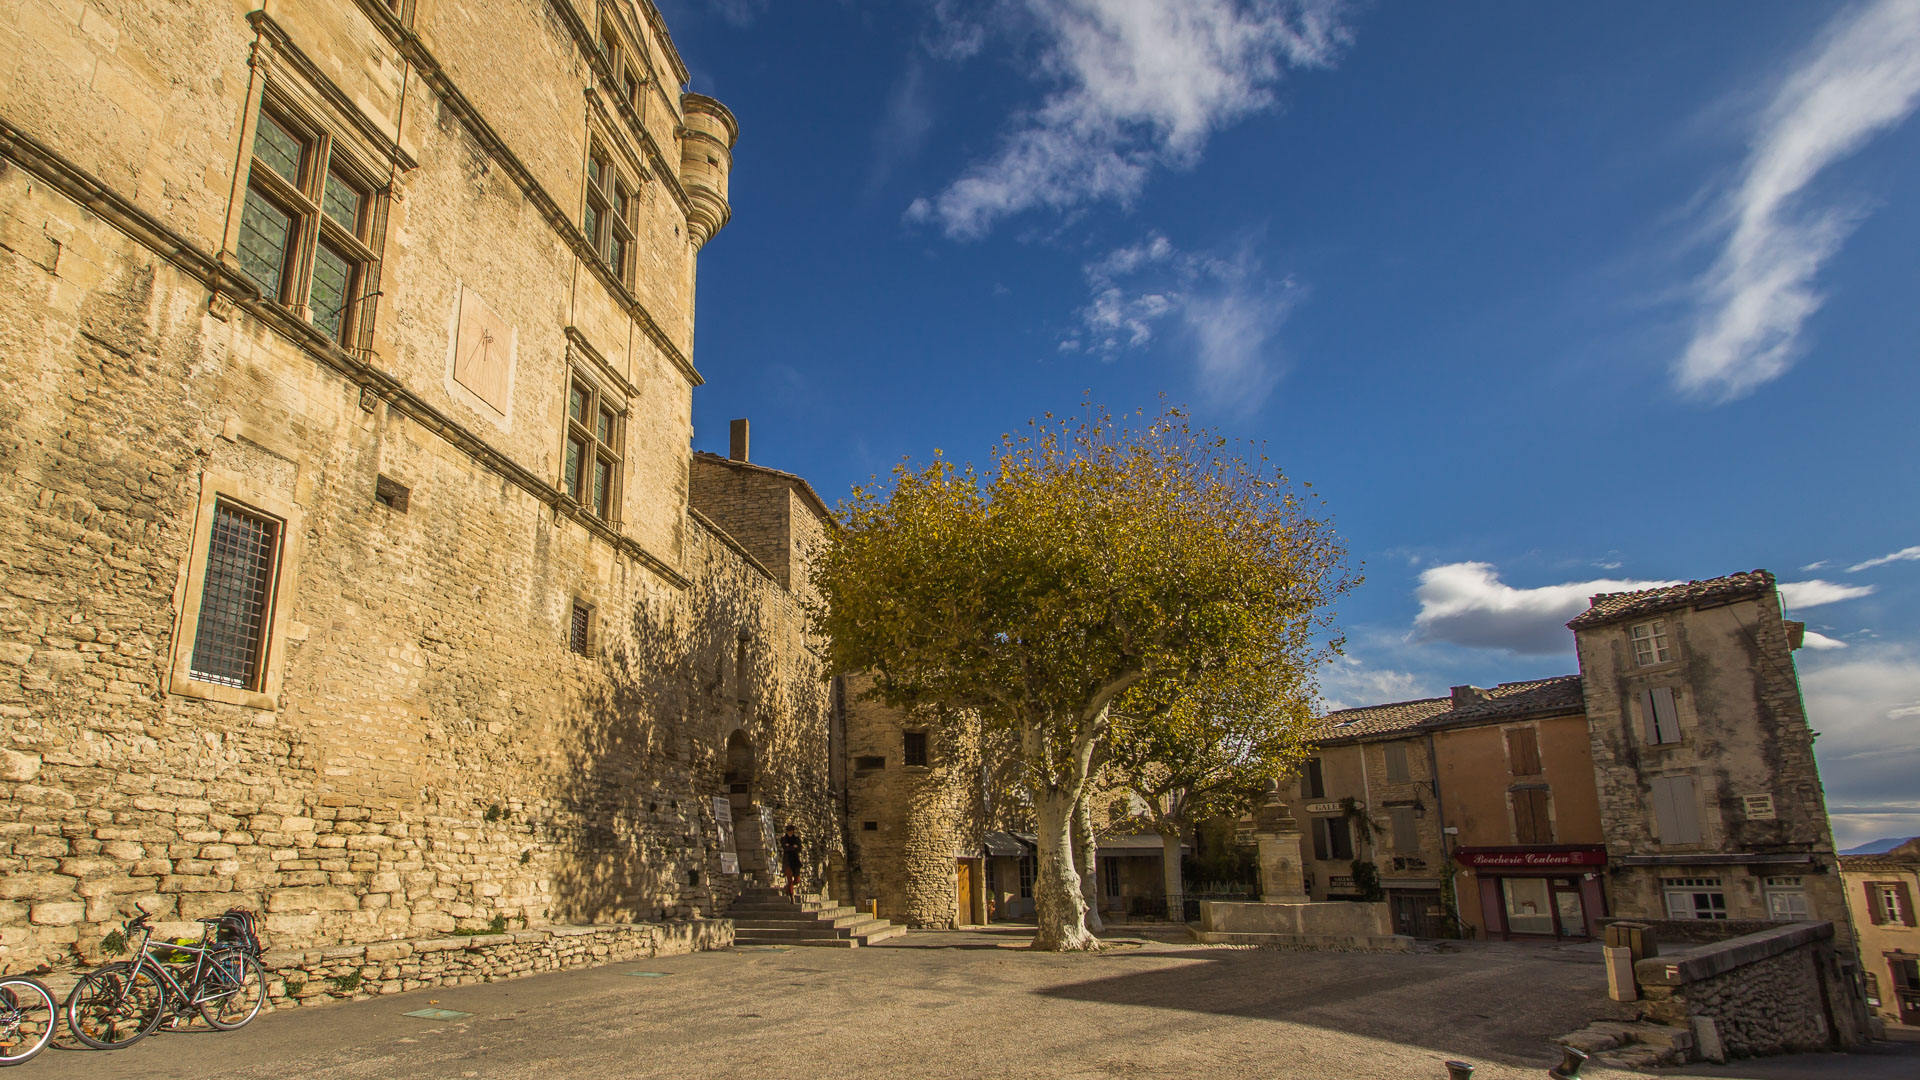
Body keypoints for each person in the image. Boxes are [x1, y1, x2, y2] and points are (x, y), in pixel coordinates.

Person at [779, 824, 804, 898]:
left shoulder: (797, 839)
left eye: (791, 831)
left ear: (793, 832)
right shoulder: (783, 839)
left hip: (795, 860)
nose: (789, 833)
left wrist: (790, 847)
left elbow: (799, 849)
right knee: (789, 879)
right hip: (787, 861)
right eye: (788, 831)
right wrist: (793, 847)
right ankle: (791, 896)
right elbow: (785, 849)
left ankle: (788, 888)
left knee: (797, 880)